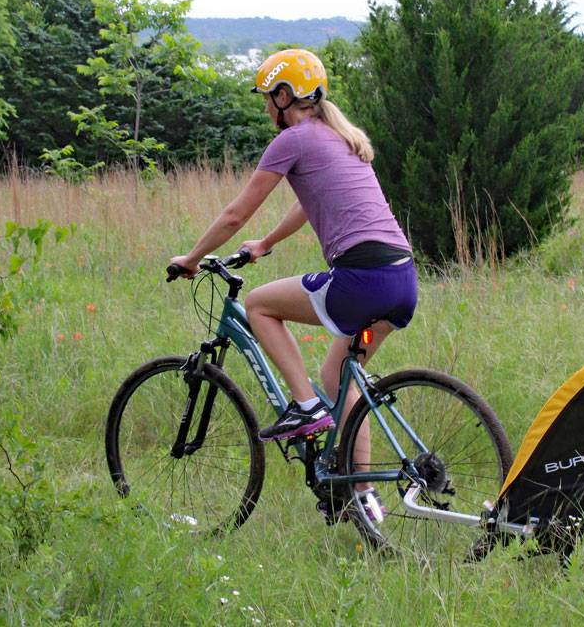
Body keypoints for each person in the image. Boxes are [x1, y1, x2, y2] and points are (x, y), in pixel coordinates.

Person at [168, 48, 416, 521]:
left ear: (285, 97)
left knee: (259, 305)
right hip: (400, 278)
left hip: (361, 278)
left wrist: (192, 259)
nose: (266, 108)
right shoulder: (340, 138)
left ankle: (303, 408)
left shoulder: (294, 140)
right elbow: (310, 202)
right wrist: (265, 243)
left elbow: (236, 213)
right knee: (341, 379)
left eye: (268, 98)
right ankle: (362, 497)